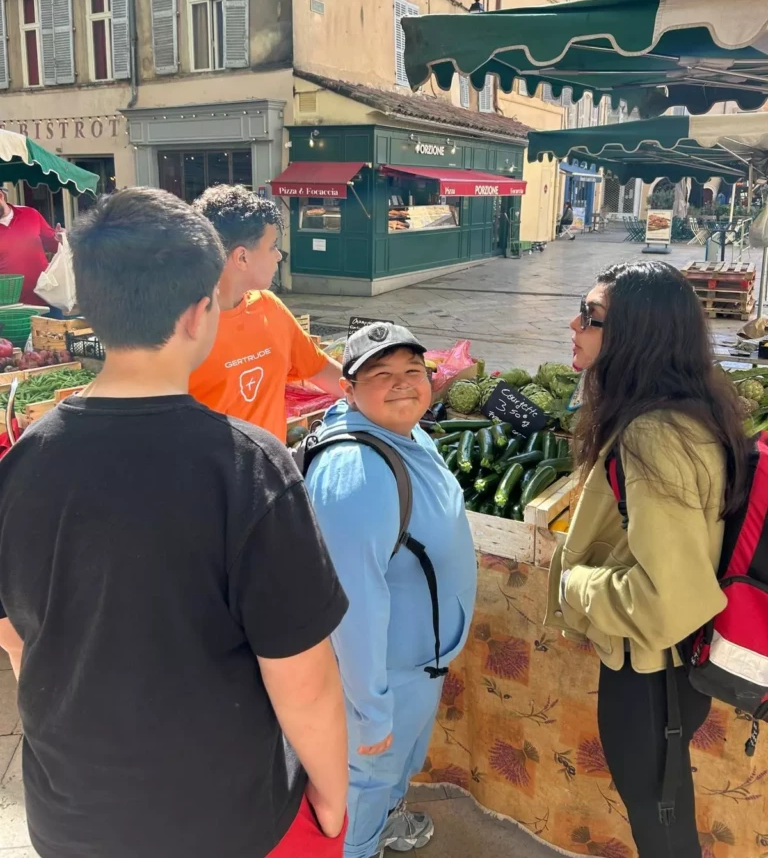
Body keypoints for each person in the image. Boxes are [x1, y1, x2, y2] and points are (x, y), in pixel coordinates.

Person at [0, 188, 350, 858]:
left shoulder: (19, 465)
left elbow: (16, 640)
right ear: (199, 314)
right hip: (225, 822)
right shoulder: (252, 470)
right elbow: (303, 679)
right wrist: (333, 796)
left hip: (70, 818)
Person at [547, 261, 749, 858]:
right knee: (664, 808)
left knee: (660, 824)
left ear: (639, 333)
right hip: (672, 667)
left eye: (592, 316)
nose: (574, 325)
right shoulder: (689, 410)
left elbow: (667, 600)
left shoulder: (653, 433)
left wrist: (574, 584)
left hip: (649, 671)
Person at [304, 323, 477, 858]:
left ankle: (382, 827)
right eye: (381, 375)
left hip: (416, 667)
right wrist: (371, 709)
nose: (403, 384)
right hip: (380, 679)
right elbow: (351, 608)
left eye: (412, 371)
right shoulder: (356, 474)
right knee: (366, 781)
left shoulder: (405, 433)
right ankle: (360, 847)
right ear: (348, 390)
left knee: (395, 769)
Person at [190, 184, 343, 440]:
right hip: (210, 477)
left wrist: (376, 393)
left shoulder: (269, 307)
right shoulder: (178, 328)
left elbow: (319, 369)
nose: (279, 257)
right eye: (272, 246)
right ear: (242, 258)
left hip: (270, 473)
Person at [0, 186, 60, 303]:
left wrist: (61, 239)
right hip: (9, 306)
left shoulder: (31, 214)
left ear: (1, 196)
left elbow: (55, 246)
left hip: (46, 298)